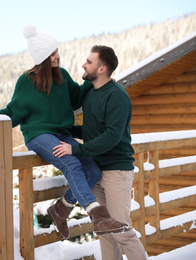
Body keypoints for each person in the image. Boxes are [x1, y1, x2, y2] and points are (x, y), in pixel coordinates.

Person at [0, 26, 129, 239]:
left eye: (57, 52)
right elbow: (12, 113)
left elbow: (76, 98)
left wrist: (101, 83)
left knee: (93, 171)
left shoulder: (61, 76)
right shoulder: (26, 82)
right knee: (71, 161)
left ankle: (61, 208)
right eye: (53, 54)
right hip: (38, 135)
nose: (57, 57)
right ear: (43, 57)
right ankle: (99, 216)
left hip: (61, 133)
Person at [53, 45, 148, 259]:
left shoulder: (117, 96)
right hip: (96, 170)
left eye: (89, 62)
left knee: (122, 231)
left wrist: (75, 149)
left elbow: (111, 136)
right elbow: (92, 130)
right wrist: (64, 129)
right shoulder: (90, 91)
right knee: (105, 231)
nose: (83, 65)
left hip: (116, 171)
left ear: (102, 69)